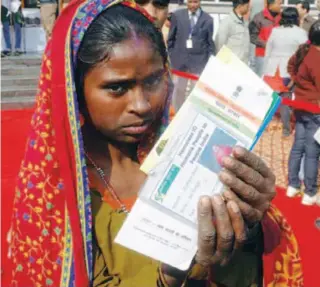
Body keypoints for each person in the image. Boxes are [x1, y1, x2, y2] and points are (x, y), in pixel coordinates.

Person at [7, 0, 303, 286]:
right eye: (117, 87)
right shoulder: (54, 194)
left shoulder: (190, 154)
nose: (142, 104)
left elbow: (245, 270)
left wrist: (250, 229)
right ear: (74, 88)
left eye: (153, 81)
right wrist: (168, 278)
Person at [286, 20, 320, 206]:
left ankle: (292, 185)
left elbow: (291, 67)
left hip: (300, 105)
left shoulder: (303, 50)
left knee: (298, 147)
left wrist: (300, 84)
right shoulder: (316, 58)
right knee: (312, 152)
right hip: (315, 109)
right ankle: (310, 192)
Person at [263, 7, 308, 137]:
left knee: (270, 100)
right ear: (296, 18)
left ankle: (263, 125)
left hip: (273, 70)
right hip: (289, 71)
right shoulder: (301, 33)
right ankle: (286, 130)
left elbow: (268, 52)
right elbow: (304, 55)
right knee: (286, 101)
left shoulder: (275, 31)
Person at [168, 0, 215, 111]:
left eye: (195, 2)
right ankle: (177, 113)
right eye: (190, 2)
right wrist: (173, 57)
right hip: (180, 63)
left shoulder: (208, 20)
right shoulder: (177, 16)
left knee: (196, 92)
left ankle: (192, 113)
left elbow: (209, 43)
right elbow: (171, 39)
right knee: (178, 90)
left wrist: (209, 62)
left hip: (198, 63)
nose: (193, 5)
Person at [249, 0, 282, 77]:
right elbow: (252, 36)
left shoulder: (282, 18)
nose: (281, 6)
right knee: (261, 79)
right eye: (279, 4)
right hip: (262, 55)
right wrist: (265, 44)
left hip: (277, 56)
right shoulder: (258, 17)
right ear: (270, 5)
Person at [216, 0, 251, 64]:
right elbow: (219, 44)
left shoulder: (245, 22)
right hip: (231, 65)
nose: (249, 8)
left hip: (243, 64)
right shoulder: (227, 22)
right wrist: (227, 62)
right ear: (240, 6)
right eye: (247, 6)